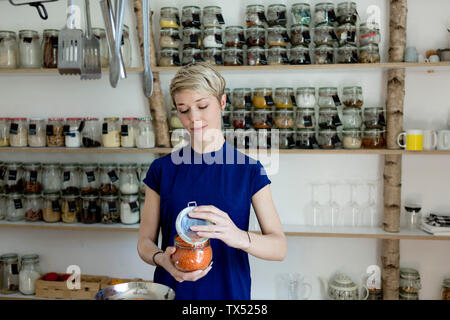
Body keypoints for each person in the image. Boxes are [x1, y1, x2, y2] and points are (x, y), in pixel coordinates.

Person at [137, 62, 287, 300]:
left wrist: (238, 236)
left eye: (202, 106)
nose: (193, 118)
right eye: (183, 109)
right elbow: (144, 242)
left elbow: (279, 247)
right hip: (172, 293)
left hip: (229, 295)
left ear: (222, 102)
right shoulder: (161, 170)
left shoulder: (249, 170)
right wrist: (161, 259)